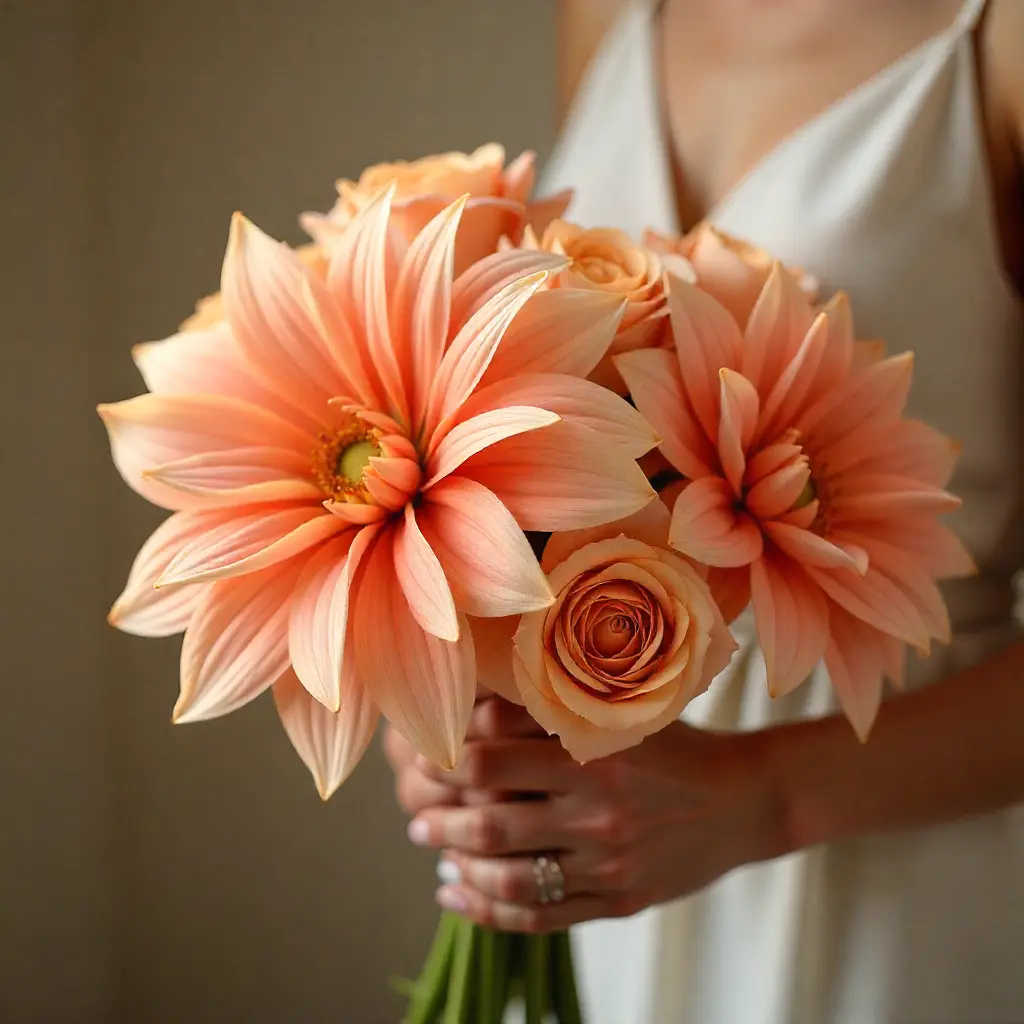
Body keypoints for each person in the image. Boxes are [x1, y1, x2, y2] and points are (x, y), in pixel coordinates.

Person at [384, 1, 1024, 1020]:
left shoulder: (998, 44)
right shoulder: (610, 14)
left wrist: (762, 792)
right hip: (607, 839)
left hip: (888, 856)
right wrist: (458, 699)